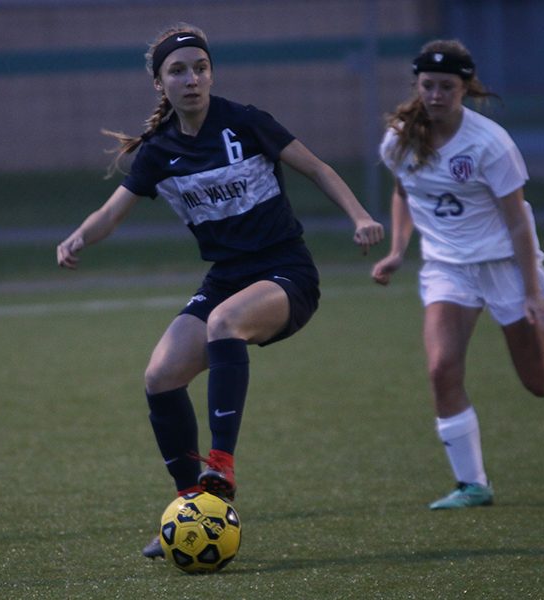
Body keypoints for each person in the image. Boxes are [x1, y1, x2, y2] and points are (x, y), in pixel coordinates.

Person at [56, 23, 384, 555]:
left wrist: (361, 215)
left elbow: (319, 169)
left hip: (286, 273)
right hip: (226, 278)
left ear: (212, 73)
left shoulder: (246, 122)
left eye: (200, 68)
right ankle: (194, 506)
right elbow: (111, 214)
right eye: (178, 71)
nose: (192, 79)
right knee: (160, 376)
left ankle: (222, 465)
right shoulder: (160, 151)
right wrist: (78, 238)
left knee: (224, 324)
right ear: (160, 84)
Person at [370, 39, 544, 510]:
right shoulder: (398, 139)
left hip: (504, 265)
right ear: (416, 85)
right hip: (447, 268)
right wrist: (399, 251)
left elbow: (518, 222)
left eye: (447, 86)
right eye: (428, 85)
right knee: (441, 368)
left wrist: (532, 294)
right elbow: (405, 193)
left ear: (466, 87)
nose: (437, 95)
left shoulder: (490, 145)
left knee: (538, 380)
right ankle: (473, 485)